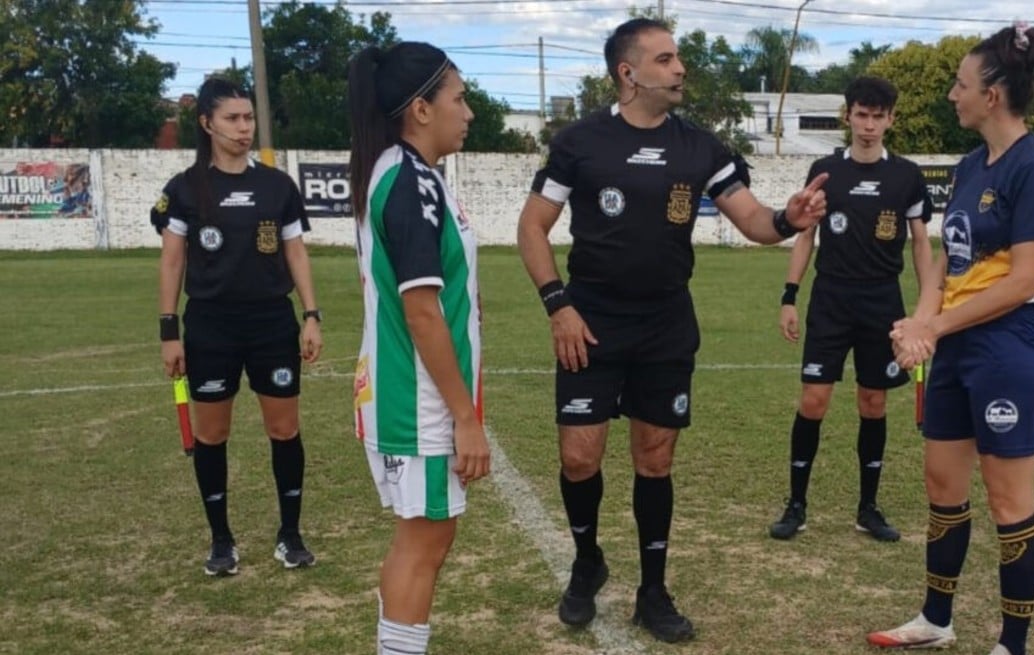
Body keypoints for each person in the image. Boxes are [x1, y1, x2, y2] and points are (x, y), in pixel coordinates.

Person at [517, 17, 828, 644]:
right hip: (591, 321)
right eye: (665, 59)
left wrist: (788, 218)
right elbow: (532, 228)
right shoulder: (579, 142)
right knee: (579, 458)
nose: (679, 67)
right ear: (628, 73)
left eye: (678, 57)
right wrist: (559, 306)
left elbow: (753, 222)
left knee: (654, 459)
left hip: (665, 325)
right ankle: (587, 561)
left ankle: (653, 590)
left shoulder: (701, 148)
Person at [866, 22, 1034, 655]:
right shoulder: (970, 165)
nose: (953, 94)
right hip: (954, 348)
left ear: (995, 95)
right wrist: (921, 325)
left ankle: (1013, 643)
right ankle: (936, 619)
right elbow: (945, 267)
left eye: (961, 84)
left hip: (1010, 349)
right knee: (941, 488)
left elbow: (1023, 280)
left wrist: (935, 326)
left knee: (1009, 500)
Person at [347, 42, 490, 655]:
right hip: (418, 403)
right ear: (420, 109)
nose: (469, 112)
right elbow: (422, 312)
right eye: (458, 98)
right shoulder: (408, 182)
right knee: (424, 544)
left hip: (406, 394)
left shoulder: (409, 175)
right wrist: (465, 418)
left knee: (420, 541)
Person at [151, 77, 322, 577]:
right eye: (232, 119)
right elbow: (171, 263)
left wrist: (311, 315)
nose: (244, 128)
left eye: (248, 118)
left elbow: (295, 251)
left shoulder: (277, 186)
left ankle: (290, 536)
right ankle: (221, 540)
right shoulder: (185, 189)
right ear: (207, 123)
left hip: (272, 323)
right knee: (212, 434)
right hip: (210, 326)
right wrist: (169, 332)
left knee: (284, 429)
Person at [768, 76, 936, 544]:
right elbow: (805, 236)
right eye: (861, 115)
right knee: (814, 401)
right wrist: (788, 297)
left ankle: (868, 508)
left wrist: (925, 313)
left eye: (878, 116)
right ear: (847, 117)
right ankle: (796, 505)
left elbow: (921, 243)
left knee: (873, 402)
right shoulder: (825, 170)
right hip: (831, 299)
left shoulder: (906, 175)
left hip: (882, 301)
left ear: (891, 120)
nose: (869, 125)